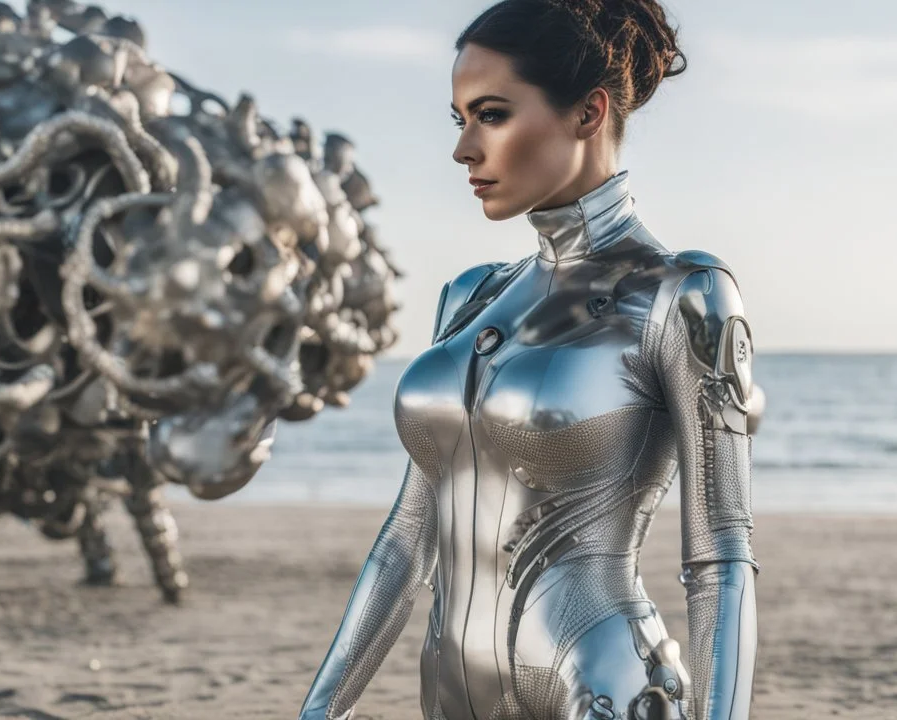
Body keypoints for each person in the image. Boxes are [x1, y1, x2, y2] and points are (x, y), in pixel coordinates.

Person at [297, 1, 759, 718]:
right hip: (451, 690)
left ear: (587, 112)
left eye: (491, 114)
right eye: (460, 119)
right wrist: (319, 709)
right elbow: (404, 542)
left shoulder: (682, 297)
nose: (463, 150)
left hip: (603, 686)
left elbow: (720, 559)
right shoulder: (471, 296)